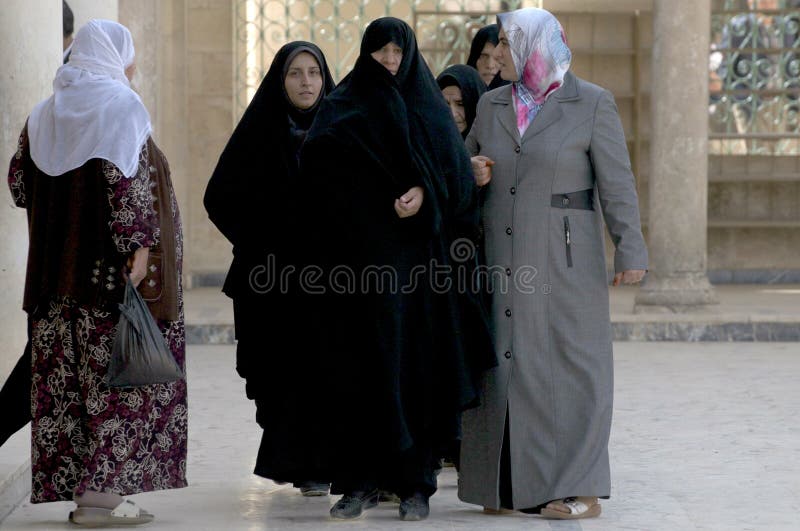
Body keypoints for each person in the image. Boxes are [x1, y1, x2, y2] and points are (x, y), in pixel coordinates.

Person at [298, 17, 494, 522]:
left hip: (416, 277)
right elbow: (316, 173)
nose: (388, 60)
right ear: (366, 53)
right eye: (380, 51)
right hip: (356, 272)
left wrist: (424, 195)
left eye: (395, 51)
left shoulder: (425, 106)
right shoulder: (343, 105)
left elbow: (455, 181)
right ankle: (359, 483)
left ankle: (415, 486)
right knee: (359, 374)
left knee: (414, 374)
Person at [458, 8, 648, 520]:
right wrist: (467, 170)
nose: (497, 54)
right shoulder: (492, 104)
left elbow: (617, 183)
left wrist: (630, 246)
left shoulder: (591, 103)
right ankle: (500, 484)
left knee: (572, 367)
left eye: (508, 44)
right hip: (501, 256)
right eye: (498, 44)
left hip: (566, 258)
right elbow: (459, 166)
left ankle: (579, 488)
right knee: (503, 361)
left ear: (538, 47)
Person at [7, 19, 187, 526]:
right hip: (108, 285)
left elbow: (20, 186)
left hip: (52, 286)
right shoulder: (122, 106)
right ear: (117, 56)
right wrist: (141, 248)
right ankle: (100, 502)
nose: (133, 66)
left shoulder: (42, 115)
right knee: (119, 388)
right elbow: (127, 185)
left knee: (66, 391)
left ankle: (83, 494)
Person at [204, 41, 335, 497]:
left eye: (314, 73)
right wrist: (260, 242)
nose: (306, 83)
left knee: (324, 370)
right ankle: (290, 458)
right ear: (280, 80)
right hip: (271, 282)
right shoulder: (261, 130)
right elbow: (217, 196)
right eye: (295, 74)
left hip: (329, 282)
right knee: (280, 373)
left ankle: (318, 466)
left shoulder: (342, 128)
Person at [0, 0, 78, 451]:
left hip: (47, 271)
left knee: (38, 369)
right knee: (43, 374)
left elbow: (17, 187)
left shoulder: (42, 117)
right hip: (89, 281)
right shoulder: (113, 118)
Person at [436, 64, 487, 138]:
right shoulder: (426, 145)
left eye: (460, 104)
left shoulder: (496, 144)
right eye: (445, 104)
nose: (452, 114)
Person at [466, 24, 508, 89]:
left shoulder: (519, 97)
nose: (490, 65)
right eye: (483, 56)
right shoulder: (458, 96)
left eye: (498, 57)